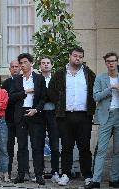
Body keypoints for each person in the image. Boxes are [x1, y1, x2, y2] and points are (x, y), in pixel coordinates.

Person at [48, 46, 96, 186]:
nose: (77, 58)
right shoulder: (60, 74)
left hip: (84, 116)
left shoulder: (89, 74)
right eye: (75, 56)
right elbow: (51, 91)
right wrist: (60, 103)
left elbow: (95, 92)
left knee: (84, 147)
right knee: (67, 147)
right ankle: (66, 174)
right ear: (70, 56)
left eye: (80, 56)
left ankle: (87, 174)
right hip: (65, 116)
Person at [10, 53, 46, 185]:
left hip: (35, 114)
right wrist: (25, 92)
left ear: (31, 63)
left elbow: (43, 98)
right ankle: (21, 174)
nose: (23, 65)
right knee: (22, 146)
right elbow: (12, 97)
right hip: (21, 115)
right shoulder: (17, 79)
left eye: (25, 62)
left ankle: (38, 174)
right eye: (21, 63)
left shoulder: (39, 78)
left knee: (36, 146)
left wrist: (36, 110)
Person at [85, 52, 119, 189]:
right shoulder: (100, 78)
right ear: (105, 63)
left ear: (117, 62)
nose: (111, 63)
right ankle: (96, 180)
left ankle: (114, 179)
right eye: (108, 61)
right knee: (101, 150)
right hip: (106, 116)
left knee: (117, 150)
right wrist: (111, 88)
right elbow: (96, 97)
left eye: (113, 61)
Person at [39, 57, 60, 182]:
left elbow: (58, 95)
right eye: (43, 63)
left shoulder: (56, 79)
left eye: (48, 63)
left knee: (54, 144)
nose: (46, 65)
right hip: (40, 114)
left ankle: (55, 171)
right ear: (40, 66)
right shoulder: (36, 79)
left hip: (53, 113)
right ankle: (40, 170)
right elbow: (37, 96)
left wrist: (46, 96)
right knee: (39, 143)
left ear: (52, 65)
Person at [2, 60, 20, 179]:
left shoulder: (25, 81)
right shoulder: (6, 83)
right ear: (10, 69)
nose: (14, 68)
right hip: (8, 119)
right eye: (12, 67)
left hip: (22, 119)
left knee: (23, 146)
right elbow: (5, 100)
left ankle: (23, 171)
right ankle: (7, 172)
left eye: (16, 67)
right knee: (8, 147)